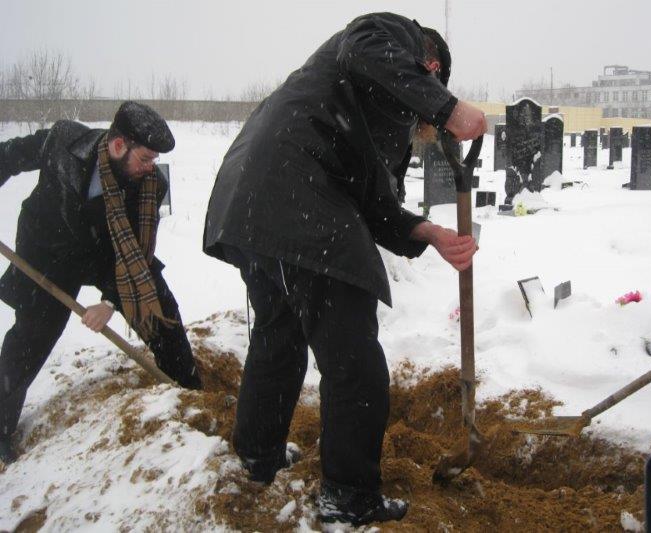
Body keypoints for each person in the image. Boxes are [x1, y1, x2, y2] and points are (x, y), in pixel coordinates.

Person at [203, 12, 485, 526]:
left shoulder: (365, 107)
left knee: (278, 338)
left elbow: (375, 202)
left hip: (253, 205)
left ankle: (257, 455)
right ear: (430, 65)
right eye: (425, 87)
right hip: (298, 202)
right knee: (354, 361)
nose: (418, 115)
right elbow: (364, 45)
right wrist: (446, 107)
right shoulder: (385, 35)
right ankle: (348, 497)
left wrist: (431, 233)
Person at [0, 101, 203, 464]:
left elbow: (138, 251)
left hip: (110, 255)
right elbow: (11, 156)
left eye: (154, 159)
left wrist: (109, 302)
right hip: (48, 251)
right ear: (118, 145)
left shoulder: (149, 183)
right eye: (145, 157)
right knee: (29, 340)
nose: (151, 166)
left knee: (158, 305)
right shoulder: (64, 142)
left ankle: (188, 390)